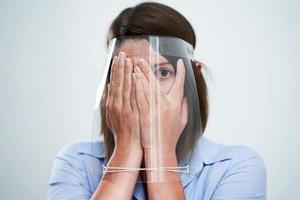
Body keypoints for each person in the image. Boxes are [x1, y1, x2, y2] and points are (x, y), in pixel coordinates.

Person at [48, 2, 266, 200]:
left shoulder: (236, 168)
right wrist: (126, 149)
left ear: (191, 82)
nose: (145, 88)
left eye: (162, 73)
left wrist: (159, 150)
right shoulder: (76, 162)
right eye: (129, 73)